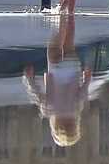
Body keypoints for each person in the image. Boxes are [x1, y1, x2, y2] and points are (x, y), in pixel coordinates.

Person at [23, 13, 89, 147]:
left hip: (73, 69)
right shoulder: (49, 110)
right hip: (56, 71)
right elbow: (38, 94)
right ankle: (60, 23)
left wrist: (87, 76)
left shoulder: (76, 108)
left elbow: (83, 92)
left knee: (69, 44)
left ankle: (67, 21)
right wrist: (29, 79)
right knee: (54, 46)